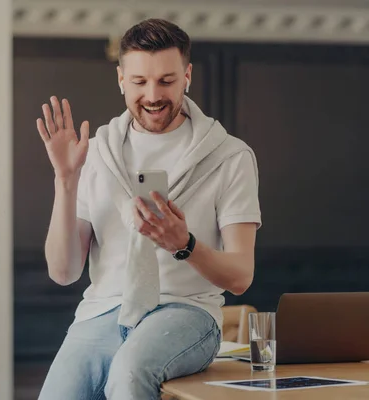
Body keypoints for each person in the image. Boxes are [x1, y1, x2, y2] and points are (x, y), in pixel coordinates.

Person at [35, 18, 261, 400]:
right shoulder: (98, 153)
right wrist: (65, 179)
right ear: (121, 79)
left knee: (129, 372)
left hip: (187, 312)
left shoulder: (229, 156)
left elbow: (240, 276)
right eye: (139, 82)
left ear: (187, 76)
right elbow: (63, 271)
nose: (153, 95)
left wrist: (184, 244)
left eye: (167, 81)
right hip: (103, 312)